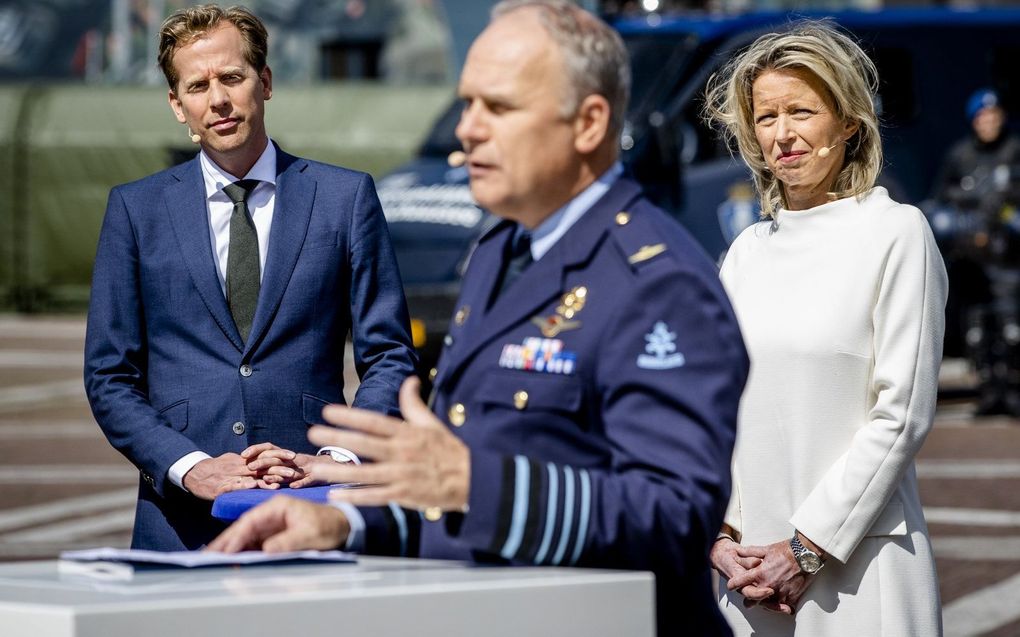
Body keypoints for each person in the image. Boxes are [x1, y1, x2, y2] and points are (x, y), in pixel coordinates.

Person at [210, 2, 749, 634]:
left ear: (588, 122)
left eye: (499, 108)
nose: (468, 130)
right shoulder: (501, 253)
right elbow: (454, 482)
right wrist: (343, 521)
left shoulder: (658, 282)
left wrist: (477, 485)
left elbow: (674, 516)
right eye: (467, 105)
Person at [83, 4, 417, 551]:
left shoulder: (343, 199)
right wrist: (188, 467)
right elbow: (109, 376)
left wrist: (336, 460)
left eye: (232, 78)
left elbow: (390, 355)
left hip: (310, 513)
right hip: (179, 525)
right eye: (197, 86)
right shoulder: (135, 210)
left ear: (264, 82)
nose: (217, 99)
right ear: (177, 105)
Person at [702, 22, 946, 636]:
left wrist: (806, 549)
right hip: (750, 578)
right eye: (765, 117)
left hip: (860, 570)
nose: (782, 135)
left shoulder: (895, 233)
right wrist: (721, 532)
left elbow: (901, 416)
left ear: (849, 122)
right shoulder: (746, 252)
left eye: (802, 112)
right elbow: (713, 405)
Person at [931, 88, 1020, 416]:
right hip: (973, 263)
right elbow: (942, 197)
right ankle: (988, 391)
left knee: (1011, 329)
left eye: (994, 116)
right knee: (978, 330)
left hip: (1009, 260)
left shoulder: (1014, 150)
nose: (989, 122)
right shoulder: (960, 155)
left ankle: (1011, 390)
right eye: (983, 117)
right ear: (973, 121)